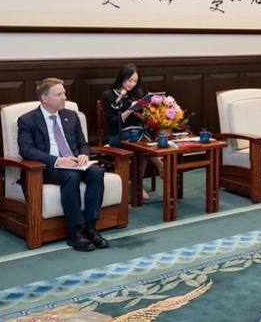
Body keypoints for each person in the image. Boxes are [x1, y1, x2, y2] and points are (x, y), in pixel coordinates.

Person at [17, 77, 108, 252]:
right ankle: (75, 232)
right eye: (59, 94)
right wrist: (58, 160)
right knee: (71, 175)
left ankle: (91, 227)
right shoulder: (28, 120)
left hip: (75, 164)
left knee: (97, 172)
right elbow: (27, 150)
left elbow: (83, 143)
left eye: (64, 93)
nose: (65, 97)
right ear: (45, 98)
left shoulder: (71, 116)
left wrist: (83, 155)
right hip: (48, 168)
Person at [100, 64, 163, 200]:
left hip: (138, 134)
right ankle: (159, 165)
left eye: (135, 81)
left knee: (141, 144)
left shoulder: (136, 94)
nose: (132, 84)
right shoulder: (108, 95)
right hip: (117, 135)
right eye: (130, 80)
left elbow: (141, 119)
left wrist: (147, 113)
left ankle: (137, 184)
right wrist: (130, 110)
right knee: (141, 141)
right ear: (122, 78)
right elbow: (112, 123)